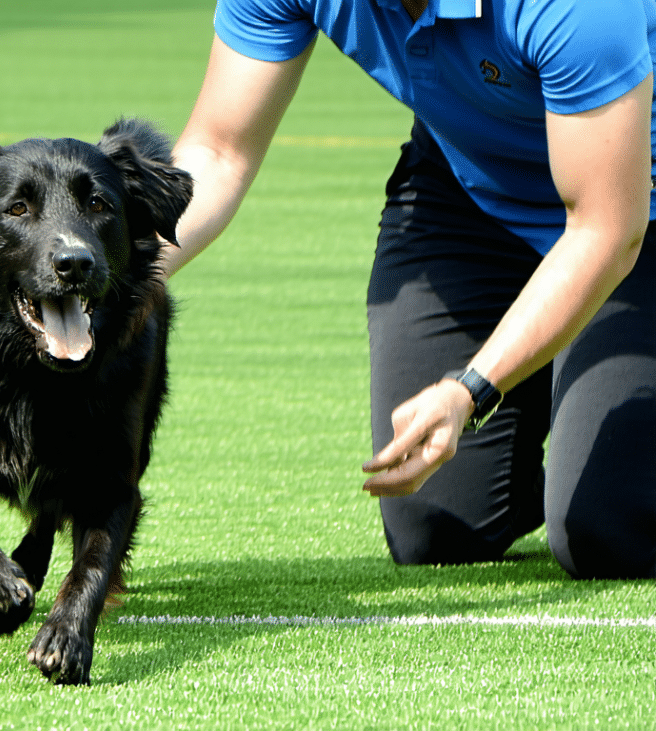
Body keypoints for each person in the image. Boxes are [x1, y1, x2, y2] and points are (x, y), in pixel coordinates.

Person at [162, 0, 656, 578]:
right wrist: (117, 274)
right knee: (435, 528)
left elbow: (605, 231)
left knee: (609, 530)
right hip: (473, 186)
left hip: (631, 203)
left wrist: (470, 389)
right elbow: (219, 151)